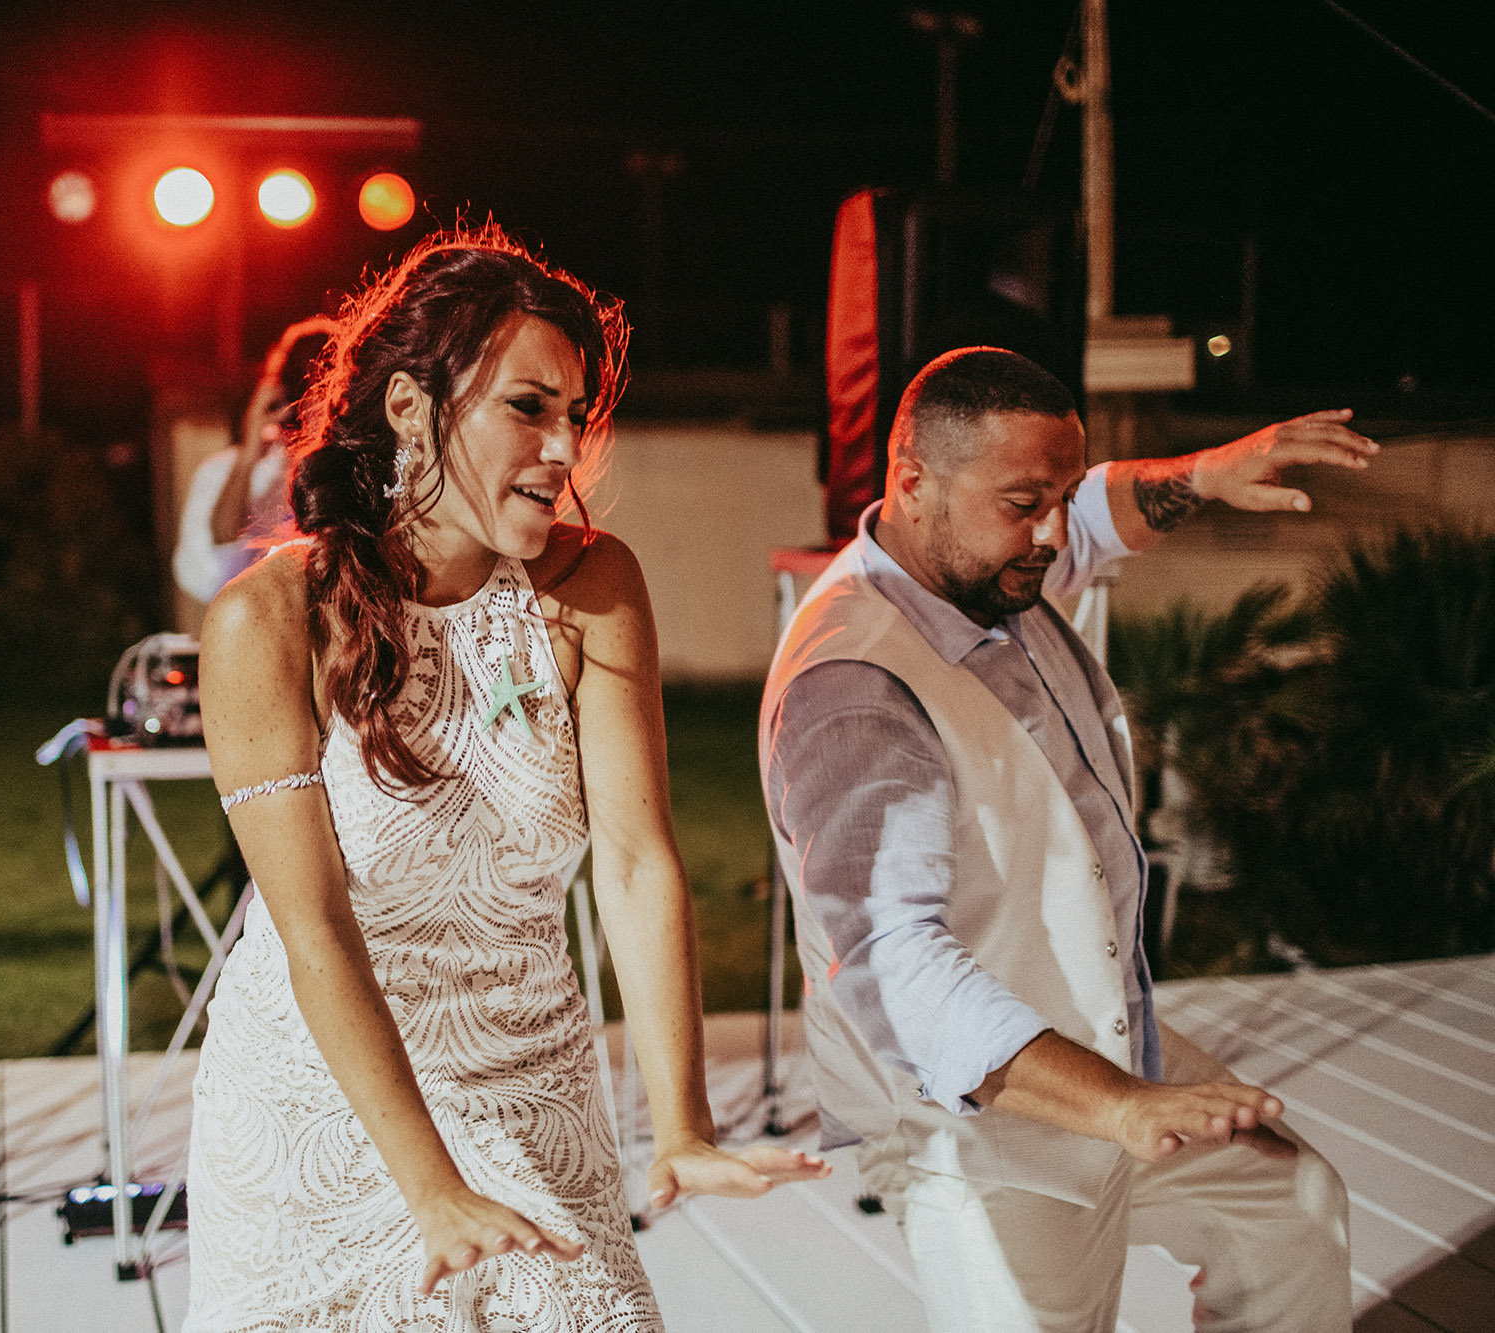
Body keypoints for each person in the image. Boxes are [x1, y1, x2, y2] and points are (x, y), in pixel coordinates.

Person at [186, 226, 827, 1331]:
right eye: (527, 407)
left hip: (531, 1082)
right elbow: (314, 931)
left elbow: (633, 862)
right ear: (407, 411)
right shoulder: (265, 620)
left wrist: (680, 1125)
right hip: (321, 1107)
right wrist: (428, 1187)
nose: (561, 449)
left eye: (575, 416)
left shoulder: (592, 586)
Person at [759, 347, 1365, 1332]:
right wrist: (1119, 1109)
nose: (1049, 534)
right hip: (976, 1126)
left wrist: (1207, 472)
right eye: (1022, 502)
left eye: (1055, 498)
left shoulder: (980, 561)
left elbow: (1088, 514)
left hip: (1104, 1041)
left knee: (1286, 1210)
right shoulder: (853, 689)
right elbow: (891, 966)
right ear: (912, 483)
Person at [172, 316, 338, 603]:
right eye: (312, 392)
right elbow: (224, 539)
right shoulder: (223, 469)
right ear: (287, 398)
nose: (321, 409)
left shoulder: (354, 470)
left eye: (334, 393)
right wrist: (251, 450)